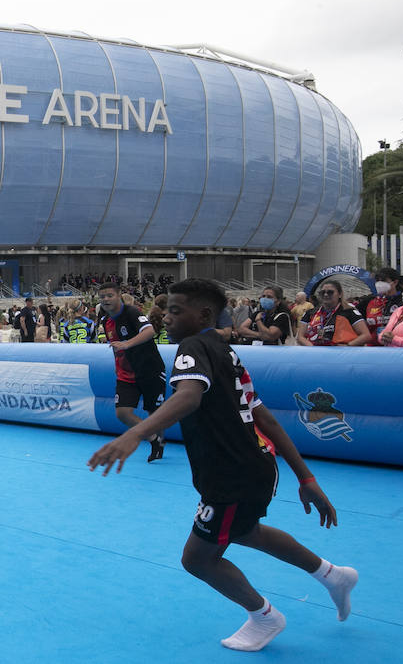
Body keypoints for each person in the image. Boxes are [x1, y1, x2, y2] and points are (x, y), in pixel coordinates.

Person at [88, 278, 357, 652]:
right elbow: (265, 418)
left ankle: (264, 617)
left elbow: (188, 397)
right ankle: (333, 576)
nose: (166, 316)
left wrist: (134, 433)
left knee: (198, 559)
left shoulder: (193, 348)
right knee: (247, 532)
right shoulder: (226, 353)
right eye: (167, 310)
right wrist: (305, 476)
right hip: (255, 466)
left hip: (232, 473)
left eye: (176, 310)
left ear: (205, 314)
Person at [97, 282, 168, 462]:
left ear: (119, 295)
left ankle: (159, 446)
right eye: (102, 296)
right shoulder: (106, 321)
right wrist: (117, 363)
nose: (106, 299)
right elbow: (114, 345)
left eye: (109, 295)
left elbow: (150, 331)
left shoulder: (132, 312)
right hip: (126, 373)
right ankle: (153, 439)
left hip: (149, 369)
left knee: (155, 412)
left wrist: (127, 343)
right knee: (122, 413)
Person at [298, 280, 369, 347]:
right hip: (315, 354)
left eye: (330, 292)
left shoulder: (349, 312)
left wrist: (348, 346)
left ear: (340, 294)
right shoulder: (310, 312)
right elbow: (300, 337)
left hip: (339, 355)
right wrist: (313, 348)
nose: (325, 295)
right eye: (322, 292)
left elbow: (366, 335)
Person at [357, 268, 403, 346]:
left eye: (383, 281)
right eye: (377, 281)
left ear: (395, 282)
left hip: (395, 347)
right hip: (372, 348)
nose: (379, 284)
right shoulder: (369, 300)